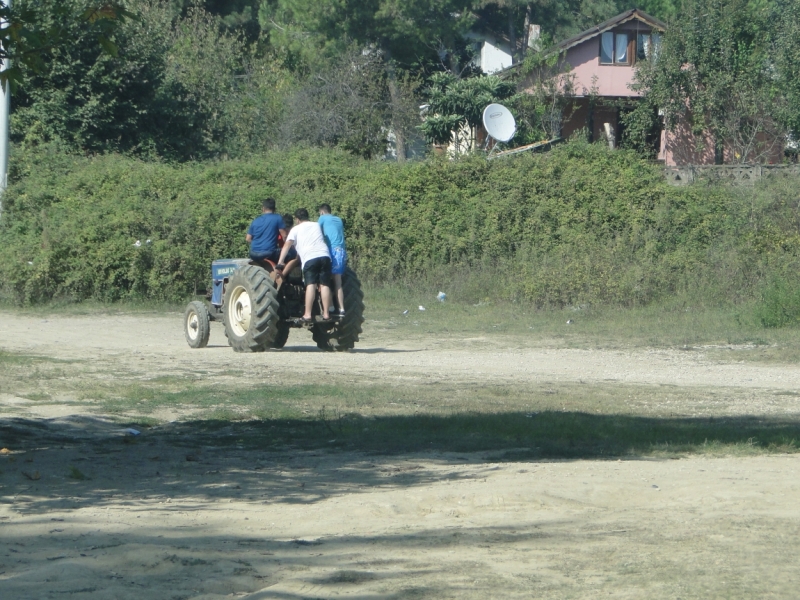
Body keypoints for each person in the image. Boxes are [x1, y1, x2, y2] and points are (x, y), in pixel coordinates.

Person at [277, 208, 333, 322]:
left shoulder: (295, 229)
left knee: (310, 285)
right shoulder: (316, 225)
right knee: (324, 285)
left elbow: (287, 246)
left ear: (297, 219)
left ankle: (307, 314)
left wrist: (280, 262)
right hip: (325, 256)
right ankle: (326, 314)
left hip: (310, 258)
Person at [317, 203, 347, 317]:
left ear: (322, 212)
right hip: (342, 251)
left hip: (332, 251)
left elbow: (316, 231)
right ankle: (342, 309)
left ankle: (329, 307)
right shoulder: (338, 219)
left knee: (325, 280)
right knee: (338, 281)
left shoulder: (322, 218)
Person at [246, 198, 286, 263]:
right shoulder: (278, 218)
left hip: (253, 254)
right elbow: (284, 236)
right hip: (269, 253)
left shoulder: (255, 221)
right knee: (291, 254)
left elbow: (248, 239)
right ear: (274, 209)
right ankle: (283, 272)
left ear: (263, 209)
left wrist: (259, 244)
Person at [278, 213, 301, 279]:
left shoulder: (279, 231)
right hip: (284, 253)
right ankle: (282, 277)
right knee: (297, 258)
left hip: (281, 253)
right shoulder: (293, 231)